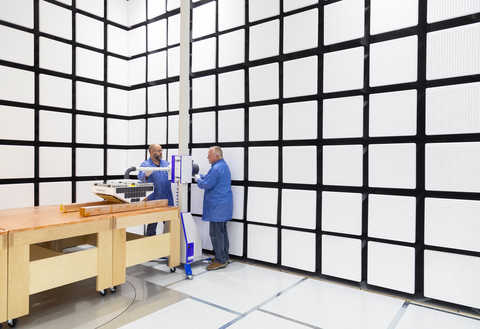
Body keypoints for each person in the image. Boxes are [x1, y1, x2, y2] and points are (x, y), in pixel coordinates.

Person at [195, 146, 233, 270]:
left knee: (216, 234)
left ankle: (220, 260)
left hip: (217, 207)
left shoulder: (216, 168)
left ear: (217, 156)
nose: (207, 157)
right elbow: (209, 178)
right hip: (223, 206)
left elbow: (206, 184)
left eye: (209, 155)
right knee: (222, 233)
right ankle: (224, 256)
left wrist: (198, 180)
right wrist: (199, 175)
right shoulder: (222, 166)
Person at [138, 144, 174, 236]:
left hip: (167, 200)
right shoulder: (145, 164)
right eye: (158, 151)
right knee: (152, 226)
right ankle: (149, 246)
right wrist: (146, 175)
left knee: (170, 226)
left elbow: (173, 177)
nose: (160, 153)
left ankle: (169, 247)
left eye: (161, 150)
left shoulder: (166, 164)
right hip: (153, 200)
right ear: (151, 152)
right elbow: (141, 178)